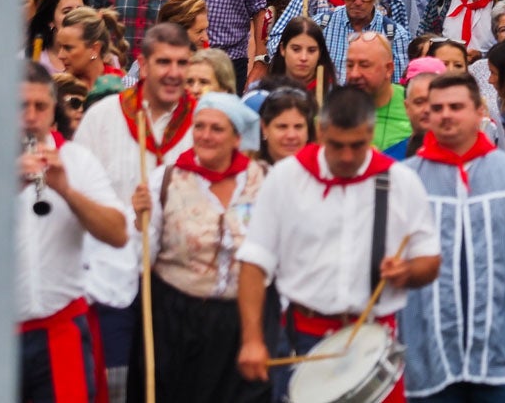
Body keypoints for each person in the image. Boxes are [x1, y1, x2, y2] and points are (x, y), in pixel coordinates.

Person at [0, 63, 128, 402]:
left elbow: (118, 233)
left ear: (53, 113)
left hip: (60, 328)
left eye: (41, 107)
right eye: (21, 106)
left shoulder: (77, 161)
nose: (31, 116)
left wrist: (67, 191)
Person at [235, 86, 442, 398]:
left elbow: (430, 260)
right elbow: (253, 262)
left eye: (357, 146)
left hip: (376, 337)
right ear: (320, 131)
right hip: (302, 335)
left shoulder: (401, 181)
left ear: (371, 133)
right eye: (336, 145)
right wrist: (252, 339)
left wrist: (408, 271)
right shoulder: (287, 177)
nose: (346, 156)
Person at [399, 73, 505, 400]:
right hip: (428, 356)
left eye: (456, 106)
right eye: (437, 107)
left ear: (478, 111)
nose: (446, 115)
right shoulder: (404, 180)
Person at [73, 23, 197, 389]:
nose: (173, 73)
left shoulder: (203, 125)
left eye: (181, 62)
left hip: (178, 281)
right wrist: (127, 213)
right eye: (163, 62)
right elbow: (77, 194)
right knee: (115, 383)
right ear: (142, 66)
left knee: (168, 384)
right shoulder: (103, 117)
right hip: (114, 278)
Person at [130, 92, 269, 403]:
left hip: (242, 321)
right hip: (176, 321)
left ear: (237, 138)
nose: (205, 136)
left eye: (216, 129)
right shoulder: (165, 180)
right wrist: (141, 222)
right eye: (199, 126)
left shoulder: (265, 181)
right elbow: (142, 258)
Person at [269, 17, 337, 95]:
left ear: (320, 53)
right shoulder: (265, 93)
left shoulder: (332, 94)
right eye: (296, 49)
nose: (303, 58)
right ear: (282, 49)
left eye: (311, 50)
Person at [256, 87, 316, 166]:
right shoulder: (247, 175)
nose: (291, 135)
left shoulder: (324, 175)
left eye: (298, 127)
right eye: (282, 127)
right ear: (264, 128)